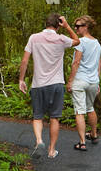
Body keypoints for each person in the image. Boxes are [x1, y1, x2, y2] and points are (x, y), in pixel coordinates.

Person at [17, 13, 80, 158]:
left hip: (38, 84)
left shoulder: (34, 38)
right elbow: (77, 41)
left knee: (37, 116)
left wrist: (21, 80)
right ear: (58, 25)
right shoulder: (61, 39)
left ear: (46, 24)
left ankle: (39, 141)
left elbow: (25, 61)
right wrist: (67, 25)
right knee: (54, 118)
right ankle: (51, 151)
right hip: (56, 84)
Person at [66, 15, 101, 151]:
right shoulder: (97, 43)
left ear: (86, 27)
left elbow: (76, 62)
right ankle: (93, 134)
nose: (76, 28)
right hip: (93, 81)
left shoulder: (81, 42)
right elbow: (98, 64)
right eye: (74, 26)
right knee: (90, 108)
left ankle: (82, 142)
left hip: (80, 80)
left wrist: (70, 81)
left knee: (80, 111)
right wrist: (97, 81)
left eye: (78, 26)